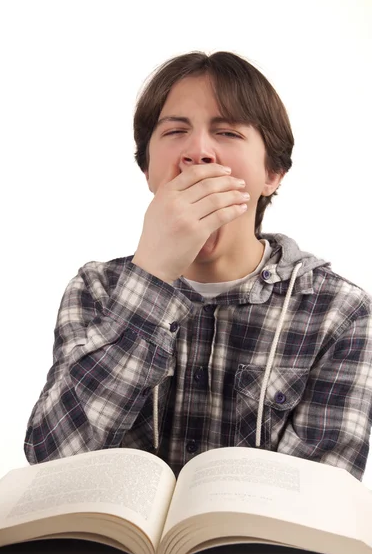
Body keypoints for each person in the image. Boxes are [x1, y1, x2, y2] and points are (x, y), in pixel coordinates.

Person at [24, 50, 372, 481]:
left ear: (273, 173)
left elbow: (322, 495)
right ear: (148, 168)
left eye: (226, 131)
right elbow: (51, 462)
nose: (199, 151)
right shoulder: (96, 290)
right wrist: (150, 275)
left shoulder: (340, 310)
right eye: (175, 131)